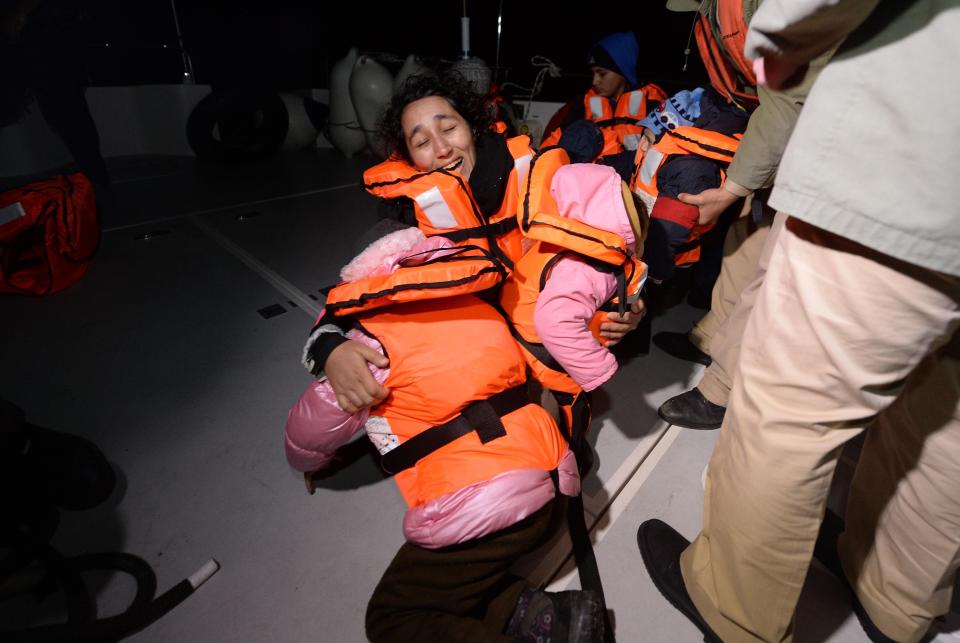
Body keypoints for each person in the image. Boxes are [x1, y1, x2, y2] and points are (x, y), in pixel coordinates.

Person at [639, 2, 960, 642]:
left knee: (785, 415)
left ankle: (732, 612)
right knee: (946, 417)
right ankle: (898, 601)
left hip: (902, 164)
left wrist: (776, 35)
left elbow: (794, 41)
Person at [286, 227, 604, 643]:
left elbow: (308, 429)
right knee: (448, 586)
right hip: (557, 477)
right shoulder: (479, 304)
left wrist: (309, 464)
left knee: (394, 617)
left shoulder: (369, 344)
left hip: (493, 506)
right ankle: (546, 618)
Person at [308, 72, 642, 416]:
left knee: (547, 440)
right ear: (409, 159)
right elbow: (356, 286)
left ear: (472, 126)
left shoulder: (541, 178)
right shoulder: (405, 215)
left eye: (449, 128)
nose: (441, 149)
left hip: (544, 344)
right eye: (421, 143)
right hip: (466, 353)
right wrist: (329, 345)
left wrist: (625, 306)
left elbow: (609, 247)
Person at [653, 0, 832, 431]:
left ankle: (722, 390)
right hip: (781, 128)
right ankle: (711, 334)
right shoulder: (716, 6)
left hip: (824, 137)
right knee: (745, 231)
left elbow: (787, 100)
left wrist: (733, 186)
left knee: (775, 264)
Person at [501, 159, 648, 473]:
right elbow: (554, 321)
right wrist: (599, 369)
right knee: (571, 419)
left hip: (518, 349)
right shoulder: (594, 268)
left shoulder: (556, 242)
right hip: (548, 368)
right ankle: (574, 461)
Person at [540, 32, 667, 178]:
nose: (595, 81)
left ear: (623, 72)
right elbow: (559, 140)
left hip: (632, 178)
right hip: (590, 177)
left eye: (602, 73)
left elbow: (659, 153)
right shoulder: (584, 103)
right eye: (593, 73)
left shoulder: (652, 103)